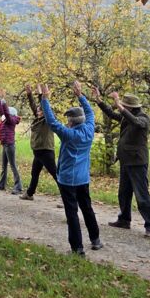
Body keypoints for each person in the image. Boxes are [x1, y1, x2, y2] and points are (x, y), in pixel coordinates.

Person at [41, 81, 101, 257]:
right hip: (83, 178)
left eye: (67, 121)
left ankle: (78, 248)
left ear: (71, 122)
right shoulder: (90, 129)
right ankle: (95, 239)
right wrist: (80, 95)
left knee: (72, 213)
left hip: (67, 179)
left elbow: (51, 122)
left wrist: (45, 99)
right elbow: (90, 113)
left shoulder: (69, 134)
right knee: (87, 208)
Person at [92, 86, 150, 237]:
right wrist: (99, 101)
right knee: (124, 193)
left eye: (124, 106)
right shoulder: (127, 117)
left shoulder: (143, 117)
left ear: (131, 107)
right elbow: (111, 114)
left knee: (142, 195)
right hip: (125, 161)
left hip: (137, 162)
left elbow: (136, 122)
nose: (121, 108)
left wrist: (119, 105)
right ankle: (124, 220)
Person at [20, 84, 58, 200]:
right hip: (38, 152)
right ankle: (30, 193)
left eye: (40, 111)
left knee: (56, 175)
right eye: (37, 111)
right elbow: (33, 106)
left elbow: (46, 109)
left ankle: (68, 196)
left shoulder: (47, 121)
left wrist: (42, 96)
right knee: (34, 173)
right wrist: (29, 94)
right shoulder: (37, 119)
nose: (38, 112)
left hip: (45, 151)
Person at [0, 90, 23, 194]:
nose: (5, 114)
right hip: (5, 144)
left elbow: (5, 111)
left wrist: (4, 101)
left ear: (11, 114)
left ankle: (18, 187)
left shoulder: (11, 120)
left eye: (7, 112)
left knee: (13, 165)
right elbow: (1, 111)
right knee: (4, 165)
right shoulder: (6, 118)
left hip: (10, 145)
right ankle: (2, 184)